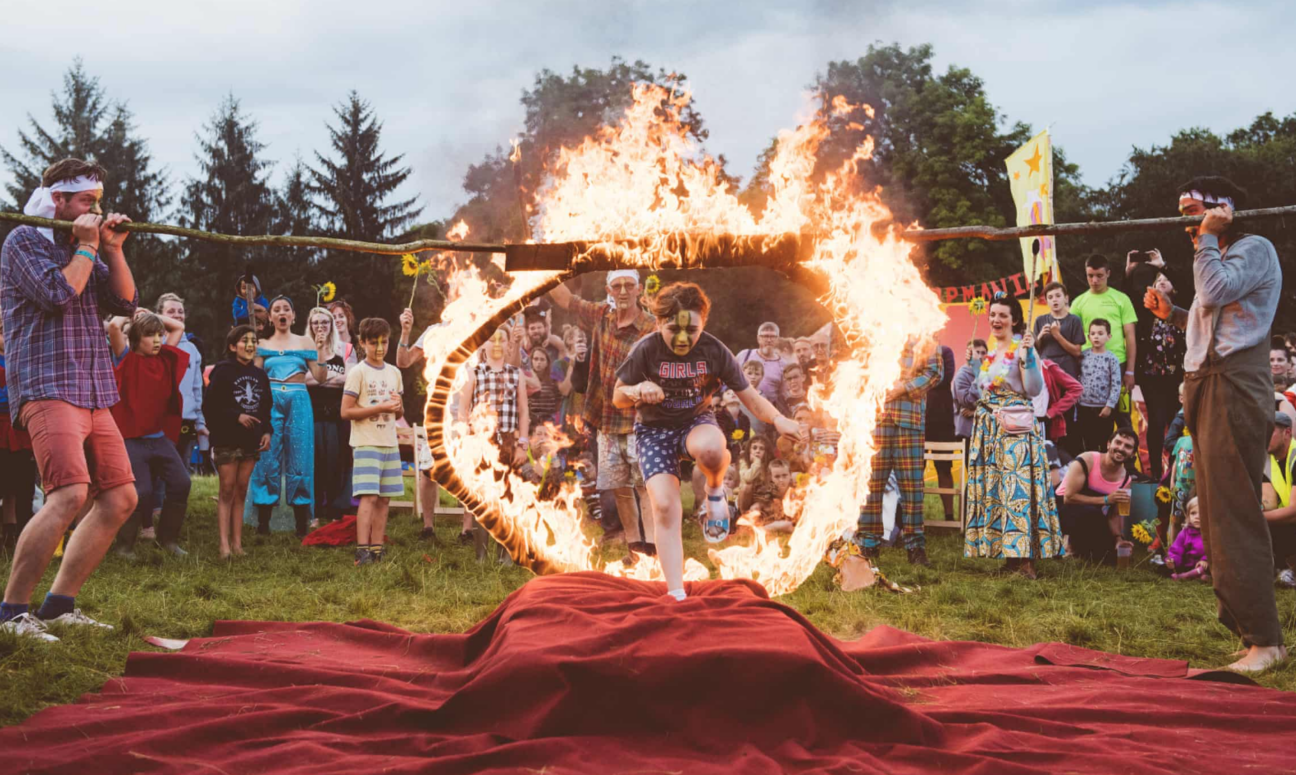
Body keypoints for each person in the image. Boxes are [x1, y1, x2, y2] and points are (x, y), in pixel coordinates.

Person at [1144, 176, 1286, 672]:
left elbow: (1217, 288)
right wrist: (1174, 313)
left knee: (1234, 509)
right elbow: (1213, 314)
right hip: (1204, 382)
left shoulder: (1254, 247)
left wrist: (1207, 237)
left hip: (1235, 384)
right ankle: (1249, 632)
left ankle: (1267, 642)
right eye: (1183, 211)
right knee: (1213, 506)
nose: (1187, 222)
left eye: (1194, 210)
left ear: (1224, 209)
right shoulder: (1214, 255)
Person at [1, 159, 140, 640]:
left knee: (121, 496)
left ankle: (59, 605)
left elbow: (124, 303)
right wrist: (85, 245)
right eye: (87, 201)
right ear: (58, 201)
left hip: (92, 386)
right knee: (69, 493)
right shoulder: (23, 241)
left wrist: (114, 250)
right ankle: (11, 614)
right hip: (47, 382)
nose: (96, 209)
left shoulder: (82, 246)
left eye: (98, 200)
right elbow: (59, 294)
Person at [613, 282, 801, 600]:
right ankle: (675, 592)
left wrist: (779, 419)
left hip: (696, 423)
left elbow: (751, 399)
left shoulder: (714, 351)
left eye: (693, 330)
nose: (684, 338)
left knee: (713, 449)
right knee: (664, 506)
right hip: (654, 433)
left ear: (704, 324)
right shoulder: (647, 349)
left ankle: (715, 493)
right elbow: (618, 395)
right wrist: (637, 391)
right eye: (674, 329)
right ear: (659, 323)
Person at [549, 271, 657, 555]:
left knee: (644, 487)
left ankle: (653, 548)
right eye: (617, 286)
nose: (623, 291)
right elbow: (564, 298)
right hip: (605, 421)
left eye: (629, 286)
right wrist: (542, 270)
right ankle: (635, 548)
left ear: (639, 290)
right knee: (620, 487)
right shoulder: (601, 314)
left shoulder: (650, 327)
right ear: (609, 288)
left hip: (639, 422)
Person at [962, 294, 1062, 578]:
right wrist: (972, 367)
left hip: (1015, 433)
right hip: (991, 432)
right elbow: (984, 390)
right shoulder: (991, 352)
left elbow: (1032, 389)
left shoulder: (1023, 348)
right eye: (992, 314)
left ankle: (1026, 561)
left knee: (1018, 491)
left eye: (1002, 315)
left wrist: (1029, 358)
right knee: (1000, 493)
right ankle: (1009, 556)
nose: (995, 319)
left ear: (1014, 320)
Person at [106, 310, 191, 558]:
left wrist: (150, 314)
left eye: (159, 335)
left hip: (158, 438)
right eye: (149, 335)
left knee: (181, 482)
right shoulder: (125, 357)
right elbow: (113, 326)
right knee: (140, 492)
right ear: (135, 338)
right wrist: (131, 314)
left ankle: (168, 541)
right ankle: (124, 547)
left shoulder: (165, 357)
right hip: (131, 440)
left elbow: (177, 328)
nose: (157, 340)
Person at [857, 339, 944, 566]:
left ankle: (915, 546)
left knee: (912, 488)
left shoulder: (925, 335)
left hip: (909, 422)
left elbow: (935, 373)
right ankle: (868, 543)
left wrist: (903, 388)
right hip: (876, 420)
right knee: (871, 484)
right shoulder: (875, 332)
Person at [247, 296, 328, 536]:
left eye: (286, 309)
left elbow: (321, 378)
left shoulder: (306, 342)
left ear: (293, 315)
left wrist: (321, 349)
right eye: (277, 310)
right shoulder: (262, 343)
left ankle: (301, 523)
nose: (282, 313)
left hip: (299, 400)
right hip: (270, 401)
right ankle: (263, 521)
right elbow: (254, 375)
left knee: (300, 455)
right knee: (267, 457)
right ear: (271, 317)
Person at [204, 325, 272, 559]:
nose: (251, 345)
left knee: (242, 490)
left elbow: (266, 407)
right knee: (227, 489)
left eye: (254, 341)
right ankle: (223, 545)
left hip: (251, 440)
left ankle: (237, 544)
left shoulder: (260, 375)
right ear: (233, 346)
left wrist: (267, 431)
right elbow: (210, 406)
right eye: (245, 341)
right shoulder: (222, 371)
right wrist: (236, 416)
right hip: (226, 439)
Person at [458, 324, 530, 542]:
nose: (497, 344)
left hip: (508, 439)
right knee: (481, 489)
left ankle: (506, 541)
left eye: (502, 340)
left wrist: (523, 443)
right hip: (482, 440)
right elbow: (463, 410)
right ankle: (478, 541)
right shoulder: (474, 373)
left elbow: (524, 410)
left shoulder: (516, 374)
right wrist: (467, 439)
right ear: (483, 345)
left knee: (508, 489)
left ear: (509, 344)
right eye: (492, 339)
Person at [341, 318, 404, 566]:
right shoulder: (358, 372)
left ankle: (377, 548)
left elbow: (399, 412)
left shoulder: (394, 373)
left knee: (385, 499)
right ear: (362, 343)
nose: (379, 348)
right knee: (368, 497)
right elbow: (346, 411)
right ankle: (362, 549)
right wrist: (378, 407)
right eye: (374, 343)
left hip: (390, 442)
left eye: (384, 342)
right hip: (366, 443)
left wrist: (396, 408)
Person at [1128, 260, 1186, 480]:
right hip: (1152, 377)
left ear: (1175, 288)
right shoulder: (1146, 311)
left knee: (1177, 421)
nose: (1161, 281)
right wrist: (1130, 271)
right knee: (1157, 421)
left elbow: (1187, 282)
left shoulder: (1183, 308)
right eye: (1157, 280)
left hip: (1177, 377)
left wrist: (1164, 265)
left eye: (1165, 279)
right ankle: (1154, 472)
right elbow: (1130, 295)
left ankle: (1175, 469)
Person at [1071, 254, 1138, 425]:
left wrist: (1130, 371)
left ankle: (1127, 450)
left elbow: (1130, 336)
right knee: (1092, 418)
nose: (1094, 280)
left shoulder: (1121, 299)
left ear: (1108, 273)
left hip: (1119, 364)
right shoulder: (1078, 302)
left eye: (1099, 275)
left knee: (1123, 415)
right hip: (1089, 366)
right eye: (1090, 276)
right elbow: (1073, 338)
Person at [396, 307, 445, 541]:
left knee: (470, 469)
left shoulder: (475, 329)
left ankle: (469, 530)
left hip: (469, 405)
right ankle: (428, 527)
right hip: (437, 406)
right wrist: (405, 332)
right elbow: (403, 361)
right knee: (428, 467)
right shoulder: (434, 331)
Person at [1055, 428, 1138, 562]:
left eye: (1127, 446)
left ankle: (1079, 548)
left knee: (1110, 556)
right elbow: (1068, 497)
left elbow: (1115, 514)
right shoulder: (1087, 460)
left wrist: (1118, 539)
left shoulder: (1126, 480)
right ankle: (1066, 542)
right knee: (1093, 515)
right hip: (1060, 510)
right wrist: (1106, 499)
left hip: (1094, 518)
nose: (1121, 448)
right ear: (1108, 444)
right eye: (1118, 442)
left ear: (1133, 454)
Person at [304, 307, 351, 527]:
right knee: (315, 463)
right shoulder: (305, 352)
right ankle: (314, 512)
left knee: (335, 462)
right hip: (311, 415)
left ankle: (334, 509)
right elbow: (305, 380)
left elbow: (348, 380)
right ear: (310, 326)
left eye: (325, 322)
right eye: (316, 323)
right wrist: (331, 377)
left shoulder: (341, 354)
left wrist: (321, 377)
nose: (320, 326)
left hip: (336, 416)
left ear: (331, 326)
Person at [156, 293, 206, 472]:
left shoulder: (192, 349)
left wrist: (200, 423)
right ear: (160, 315)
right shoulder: (152, 344)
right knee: (159, 472)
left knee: (181, 472)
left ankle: (177, 501)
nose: (177, 315)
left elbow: (197, 389)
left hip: (186, 420)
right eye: (171, 311)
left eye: (181, 311)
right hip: (159, 420)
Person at [0, 313, 37, 552]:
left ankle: (24, 538)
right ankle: (6, 535)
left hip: (22, 429)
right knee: (4, 485)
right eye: (3, 331)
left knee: (24, 486)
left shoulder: (27, 359)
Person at [1074, 320, 1122, 453]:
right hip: (1084, 407)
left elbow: (1116, 384)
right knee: (1088, 443)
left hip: (1103, 409)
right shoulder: (1083, 356)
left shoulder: (1112, 358)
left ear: (1109, 336)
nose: (1096, 336)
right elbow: (1077, 378)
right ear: (1088, 337)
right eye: (1093, 333)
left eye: (1100, 333)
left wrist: (1109, 406)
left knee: (1104, 442)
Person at [1260, 413, 1296, 590]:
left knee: (1265, 521)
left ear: (1287, 432)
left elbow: (1294, 511)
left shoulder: (1295, 458)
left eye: (1270, 432)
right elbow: (1271, 502)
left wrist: (1255, 517)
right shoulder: (1273, 460)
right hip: (1290, 520)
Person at [735, 321, 789, 432]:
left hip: (765, 415)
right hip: (740, 409)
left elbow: (783, 396)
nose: (768, 340)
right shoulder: (745, 355)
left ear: (777, 340)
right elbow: (729, 378)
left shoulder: (783, 365)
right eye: (765, 336)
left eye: (772, 337)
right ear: (758, 338)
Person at [926, 344, 957, 521]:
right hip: (919, 419)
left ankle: (949, 515)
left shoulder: (946, 351)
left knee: (944, 469)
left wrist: (922, 378)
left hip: (943, 421)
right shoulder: (915, 351)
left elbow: (944, 378)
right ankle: (914, 516)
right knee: (915, 469)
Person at [1033, 282, 1086, 380]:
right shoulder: (1040, 320)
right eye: (1050, 297)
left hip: (1068, 371)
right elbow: (1033, 350)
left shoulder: (1074, 320)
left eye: (1058, 296)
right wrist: (1040, 335)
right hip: (1046, 369)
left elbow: (1077, 352)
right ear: (1046, 301)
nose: (1054, 300)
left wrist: (1057, 335)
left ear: (1066, 298)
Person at [952, 340, 986, 446]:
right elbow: (967, 401)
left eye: (983, 352)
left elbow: (994, 401)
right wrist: (977, 376)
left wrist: (976, 411)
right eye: (977, 352)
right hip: (968, 432)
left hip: (985, 430)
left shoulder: (990, 374)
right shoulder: (961, 376)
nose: (980, 356)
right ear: (969, 354)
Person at [1167, 496, 1208, 579]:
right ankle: (1197, 575)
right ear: (1188, 516)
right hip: (1188, 566)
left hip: (1203, 565)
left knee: (1203, 568)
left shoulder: (1209, 533)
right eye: (1193, 513)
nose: (1197, 517)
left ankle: (1184, 576)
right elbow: (1176, 549)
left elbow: (1213, 550)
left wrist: (1205, 560)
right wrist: (1173, 560)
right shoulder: (1185, 533)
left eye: (1202, 513)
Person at [526, 347, 563, 428]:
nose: (538, 362)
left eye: (542, 360)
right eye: (536, 359)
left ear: (547, 363)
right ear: (531, 361)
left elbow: (559, 400)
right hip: (530, 422)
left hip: (549, 422)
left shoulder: (553, 380)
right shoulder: (526, 379)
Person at [328, 299, 360, 365]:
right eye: (334, 318)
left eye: (341, 316)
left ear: (348, 318)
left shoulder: (361, 343)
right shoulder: (328, 347)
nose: (337, 320)